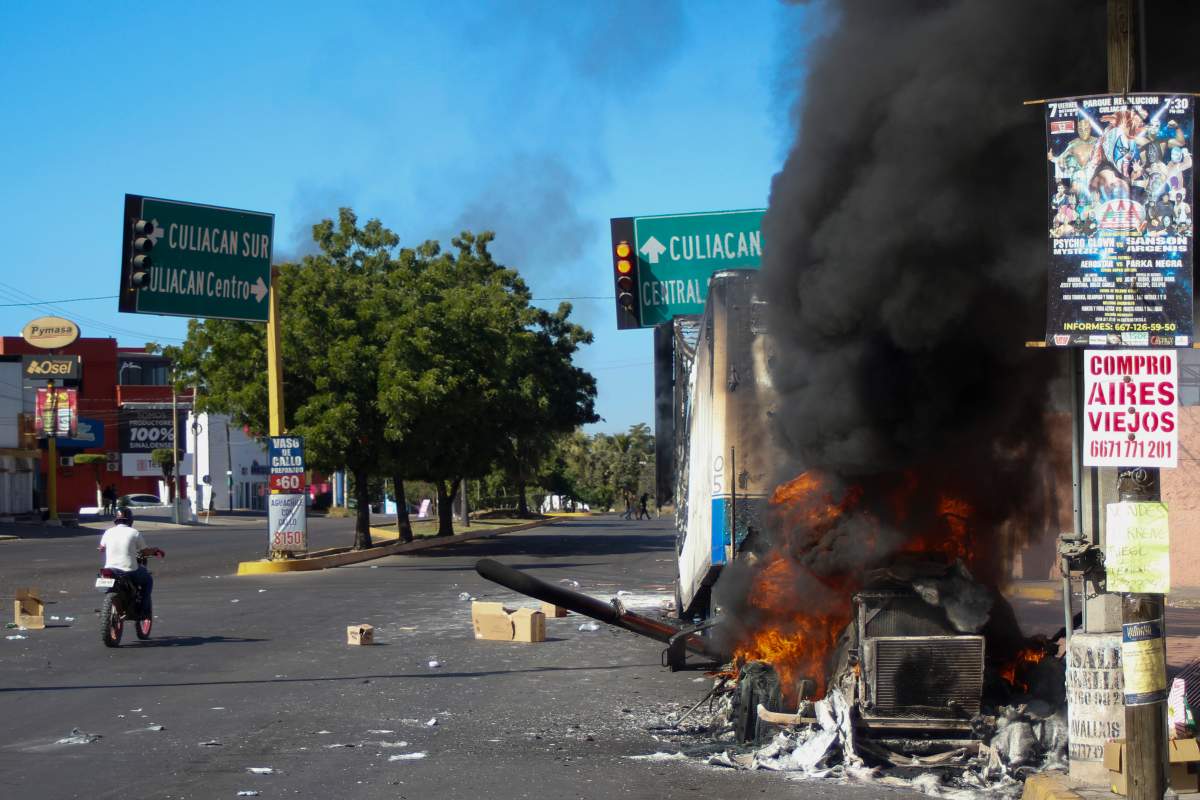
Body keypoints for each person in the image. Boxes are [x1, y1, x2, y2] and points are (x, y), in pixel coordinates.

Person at [98, 508, 164, 617]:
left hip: (109, 569)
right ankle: (144, 610)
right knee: (148, 580)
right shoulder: (134, 533)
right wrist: (155, 550)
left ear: (116, 520)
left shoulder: (108, 532)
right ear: (130, 520)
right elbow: (145, 552)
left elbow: (101, 548)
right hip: (128, 570)